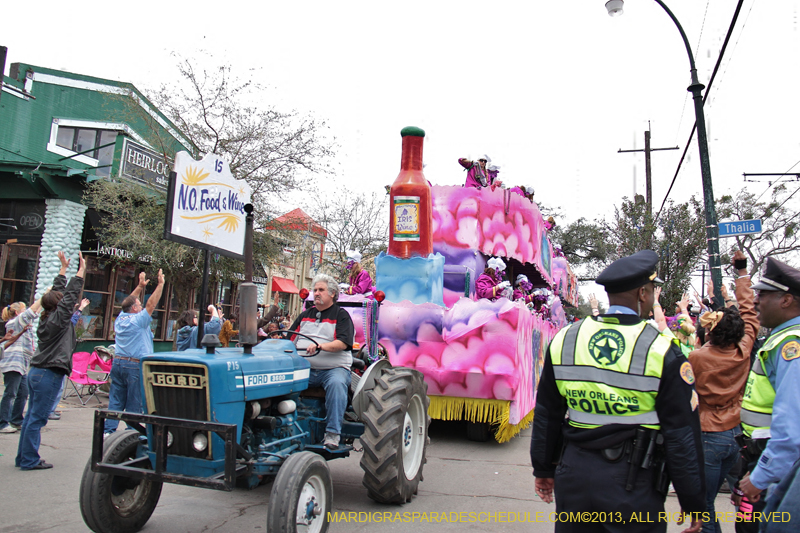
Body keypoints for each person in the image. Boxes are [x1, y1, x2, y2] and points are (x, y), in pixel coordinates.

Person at [531, 250, 705, 533]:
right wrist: (694, 501)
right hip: (633, 483)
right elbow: (681, 435)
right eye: (651, 292)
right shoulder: (661, 350)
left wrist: (543, 469)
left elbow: (547, 412)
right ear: (642, 293)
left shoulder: (566, 339)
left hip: (573, 476)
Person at [687, 250, 757, 533]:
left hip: (708, 437)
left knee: (703, 505)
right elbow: (750, 314)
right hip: (735, 435)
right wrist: (742, 273)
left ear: (711, 333)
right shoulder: (744, 349)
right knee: (712, 502)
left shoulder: (698, 358)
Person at [738, 258, 800, 531]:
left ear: (786, 300)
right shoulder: (782, 339)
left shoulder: (791, 345)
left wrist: (761, 476)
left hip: (779, 464)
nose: (755, 301)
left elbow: (791, 426)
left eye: (762, 294)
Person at [16, 251, 85, 470]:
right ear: (60, 306)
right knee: (37, 418)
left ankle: (23, 457)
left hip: (36, 371)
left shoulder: (47, 318)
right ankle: (28, 460)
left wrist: (63, 270)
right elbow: (68, 298)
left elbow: (56, 296)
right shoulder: (58, 320)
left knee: (31, 418)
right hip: (48, 373)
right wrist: (80, 272)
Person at [288, 274, 354, 450]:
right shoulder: (304, 316)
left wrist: (321, 346)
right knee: (283, 380)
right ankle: (286, 425)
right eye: (315, 290)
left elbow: (343, 343)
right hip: (306, 369)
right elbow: (289, 340)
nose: (316, 293)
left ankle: (332, 434)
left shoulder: (341, 316)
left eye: (321, 290)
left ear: (332, 293)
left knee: (337, 383)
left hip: (333, 368)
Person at [104, 270, 165, 435]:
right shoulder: (139, 321)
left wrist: (139, 286)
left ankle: (108, 431)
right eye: (138, 304)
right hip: (134, 365)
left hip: (118, 362)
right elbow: (151, 305)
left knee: (115, 401)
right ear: (135, 309)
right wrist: (160, 285)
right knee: (134, 402)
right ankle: (132, 433)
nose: (140, 306)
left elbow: (127, 302)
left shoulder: (121, 318)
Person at [0, 300, 40, 433]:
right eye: (24, 309)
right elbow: (32, 312)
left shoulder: (21, 323)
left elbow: (35, 312)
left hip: (21, 363)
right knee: (10, 393)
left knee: (23, 393)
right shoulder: (14, 322)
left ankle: (16, 420)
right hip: (13, 362)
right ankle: (2, 423)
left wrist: (46, 300)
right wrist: (46, 293)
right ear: (17, 312)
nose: (26, 312)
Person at [49, 297, 90, 421]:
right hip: (58, 359)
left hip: (52, 359)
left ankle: (47, 409)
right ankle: (49, 410)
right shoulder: (62, 326)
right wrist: (80, 309)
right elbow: (71, 321)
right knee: (58, 387)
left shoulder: (51, 322)